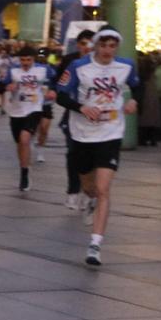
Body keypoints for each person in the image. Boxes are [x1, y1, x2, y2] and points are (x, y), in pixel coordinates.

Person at [55, 26, 138, 266]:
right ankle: (87, 197)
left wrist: (133, 99)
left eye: (112, 46)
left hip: (111, 132)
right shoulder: (79, 67)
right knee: (89, 186)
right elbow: (61, 94)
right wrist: (81, 107)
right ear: (96, 45)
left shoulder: (126, 66)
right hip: (82, 134)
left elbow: (136, 84)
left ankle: (95, 244)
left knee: (103, 189)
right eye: (103, 45)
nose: (107, 51)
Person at [5, 45, 55, 192]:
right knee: (20, 143)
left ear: (34, 59)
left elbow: (55, 80)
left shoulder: (43, 69)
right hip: (16, 111)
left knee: (25, 138)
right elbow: (4, 85)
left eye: (28, 60)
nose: (25, 63)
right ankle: (23, 168)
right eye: (23, 60)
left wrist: (52, 91)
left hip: (34, 108)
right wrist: (9, 87)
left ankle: (25, 174)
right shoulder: (13, 70)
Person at [55, 30, 94, 209]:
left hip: (97, 117)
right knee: (73, 152)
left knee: (92, 155)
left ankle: (89, 191)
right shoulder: (70, 61)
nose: (87, 47)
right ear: (78, 44)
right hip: (74, 112)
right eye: (84, 43)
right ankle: (73, 190)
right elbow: (58, 85)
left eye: (91, 43)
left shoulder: (101, 63)